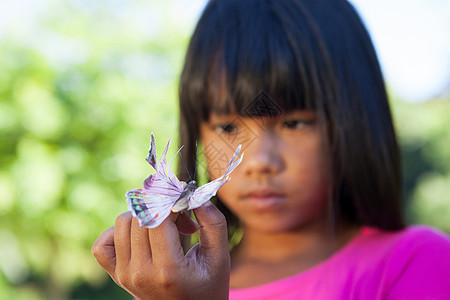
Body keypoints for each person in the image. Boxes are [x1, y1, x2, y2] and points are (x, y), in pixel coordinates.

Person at [92, 0, 450, 299]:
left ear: (354, 122)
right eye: (228, 127)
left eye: (294, 123)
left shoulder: (417, 262)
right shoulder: (176, 285)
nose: (259, 162)